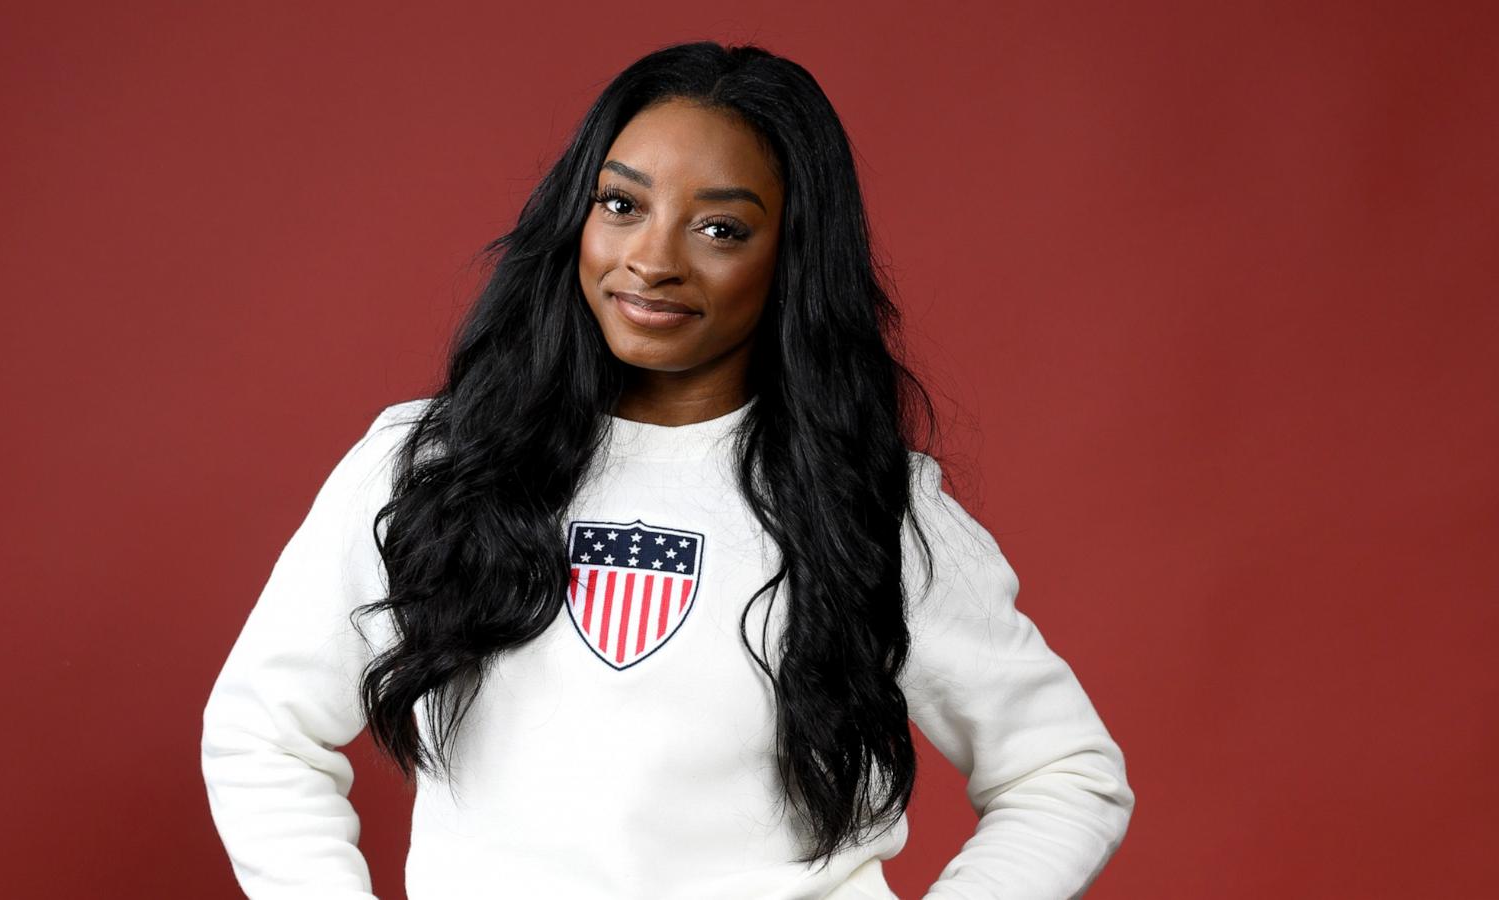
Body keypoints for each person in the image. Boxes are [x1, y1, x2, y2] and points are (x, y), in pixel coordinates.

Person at [201, 40, 1134, 900]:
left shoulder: (868, 504)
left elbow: (1064, 774)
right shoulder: (434, 465)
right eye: (622, 205)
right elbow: (262, 732)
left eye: (721, 229)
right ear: (578, 215)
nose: (651, 260)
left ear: (792, 259)